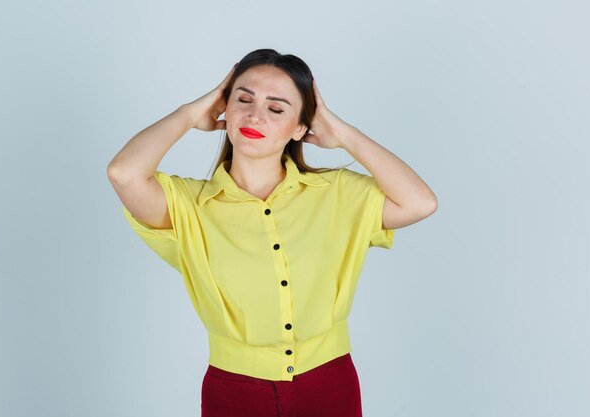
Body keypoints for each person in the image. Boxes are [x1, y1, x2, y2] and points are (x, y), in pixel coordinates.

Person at [107, 48, 438, 417]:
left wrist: (345, 134)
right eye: (243, 99)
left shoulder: (338, 193)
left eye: (276, 108)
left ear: (300, 127)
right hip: (234, 389)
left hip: (330, 383)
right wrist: (188, 114)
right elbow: (124, 173)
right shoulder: (190, 205)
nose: (254, 115)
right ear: (225, 109)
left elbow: (419, 203)